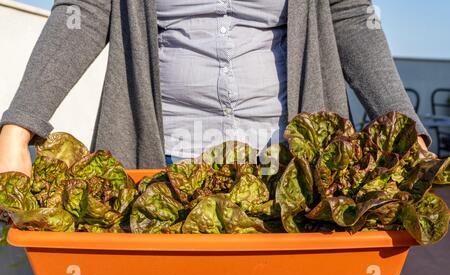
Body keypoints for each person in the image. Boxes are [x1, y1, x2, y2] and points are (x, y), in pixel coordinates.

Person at [0, 0, 429, 176]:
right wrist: (19, 126)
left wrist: (404, 127)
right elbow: (85, 10)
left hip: (292, 163)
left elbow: (350, 14)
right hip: (162, 160)